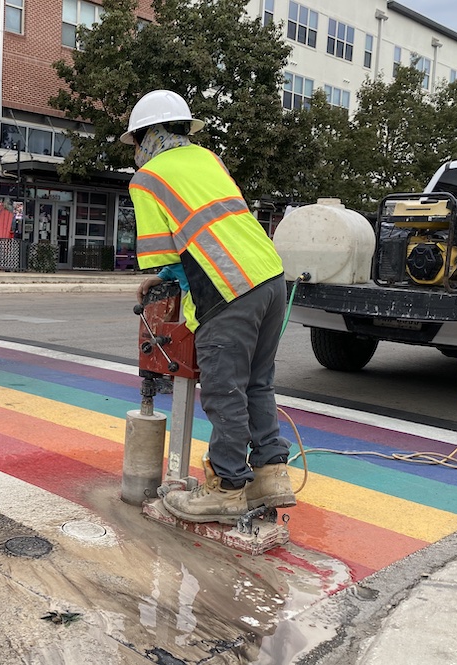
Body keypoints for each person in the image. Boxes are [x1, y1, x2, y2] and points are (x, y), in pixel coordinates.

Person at [122, 90, 295, 524]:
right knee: (257, 382)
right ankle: (271, 476)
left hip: (227, 287)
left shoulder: (146, 178)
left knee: (225, 390)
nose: (138, 152)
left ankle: (228, 487)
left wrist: (162, 279)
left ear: (146, 135)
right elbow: (210, 227)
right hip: (270, 277)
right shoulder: (208, 159)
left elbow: (166, 257)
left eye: (137, 142)